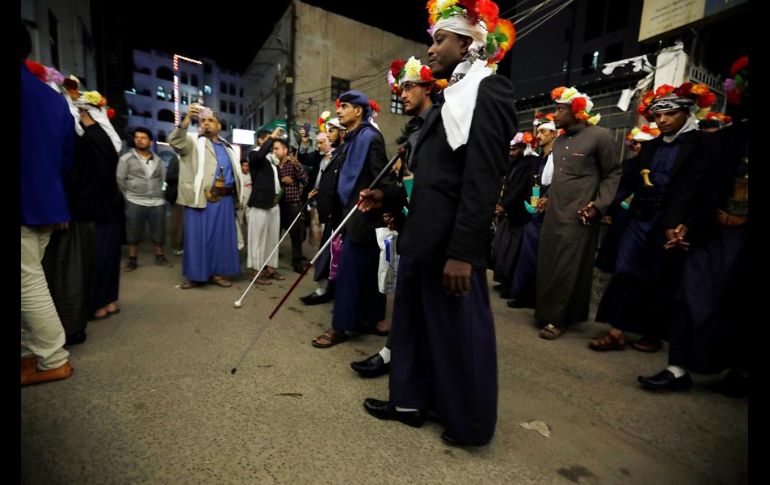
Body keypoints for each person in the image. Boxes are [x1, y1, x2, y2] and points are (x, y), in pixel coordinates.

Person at [362, 0, 517, 447]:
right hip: (422, 237)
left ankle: (469, 424)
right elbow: (433, 174)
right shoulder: (451, 94)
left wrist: (463, 253)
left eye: (440, 40)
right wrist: (387, 195)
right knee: (410, 325)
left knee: (458, 336)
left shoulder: (489, 91)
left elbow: (483, 179)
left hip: (450, 245)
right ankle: (408, 403)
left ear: (468, 43)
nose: (431, 49)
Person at [351, 56, 440, 378]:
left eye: (409, 87)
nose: (401, 94)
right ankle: (392, 353)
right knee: (406, 298)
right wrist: (384, 199)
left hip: (436, 233)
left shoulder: (441, 124)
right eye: (399, 88)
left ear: (428, 87)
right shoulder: (415, 132)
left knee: (427, 305)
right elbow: (412, 186)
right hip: (415, 228)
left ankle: (420, 369)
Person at [310, 89, 400, 348]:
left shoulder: (370, 138)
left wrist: (377, 195)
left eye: (344, 107)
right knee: (368, 272)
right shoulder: (350, 139)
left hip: (364, 217)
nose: (339, 111)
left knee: (350, 274)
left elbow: (385, 180)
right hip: (347, 215)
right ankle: (373, 319)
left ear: (358, 111)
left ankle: (340, 326)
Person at [534, 86, 621, 340]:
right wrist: (547, 198)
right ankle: (551, 312)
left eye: (560, 109)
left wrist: (599, 205)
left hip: (580, 214)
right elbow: (562, 176)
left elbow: (613, 173)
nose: (555, 114)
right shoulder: (559, 140)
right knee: (549, 263)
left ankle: (556, 320)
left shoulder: (601, 136)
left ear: (577, 111)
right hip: (554, 212)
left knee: (568, 266)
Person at [21, 22, 75, 385]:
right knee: (29, 278)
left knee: (27, 282)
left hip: (26, 200)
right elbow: (65, 158)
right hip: (44, 199)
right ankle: (34, 353)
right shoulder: (53, 98)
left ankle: (52, 357)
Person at [168, 105, 243, 288]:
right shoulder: (193, 142)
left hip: (224, 200)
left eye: (211, 121)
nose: (206, 124)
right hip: (200, 199)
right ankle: (195, 276)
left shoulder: (228, 147)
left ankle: (217, 274)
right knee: (196, 239)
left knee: (220, 239)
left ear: (219, 126)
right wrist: (186, 120)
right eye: (203, 121)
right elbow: (175, 141)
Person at [117, 127, 173, 271]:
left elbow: (164, 180)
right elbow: (120, 179)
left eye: (143, 138)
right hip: (134, 200)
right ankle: (132, 259)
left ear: (150, 141)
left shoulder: (158, 161)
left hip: (157, 201)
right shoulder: (127, 158)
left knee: (159, 230)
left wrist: (161, 193)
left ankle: (160, 256)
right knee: (133, 231)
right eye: (137, 137)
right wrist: (129, 193)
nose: (140, 140)